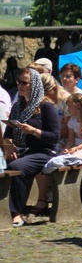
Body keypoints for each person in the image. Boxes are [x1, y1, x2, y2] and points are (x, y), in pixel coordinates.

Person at [2, 68, 60, 227]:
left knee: (16, 167)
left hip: (43, 151)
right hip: (22, 150)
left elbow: (55, 136)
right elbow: (8, 132)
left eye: (24, 83)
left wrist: (34, 131)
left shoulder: (46, 106)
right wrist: (8, 145)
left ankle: (16, 213)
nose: (20, 86)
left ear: (34, 85)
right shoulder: (17, 106)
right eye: (18, 82)